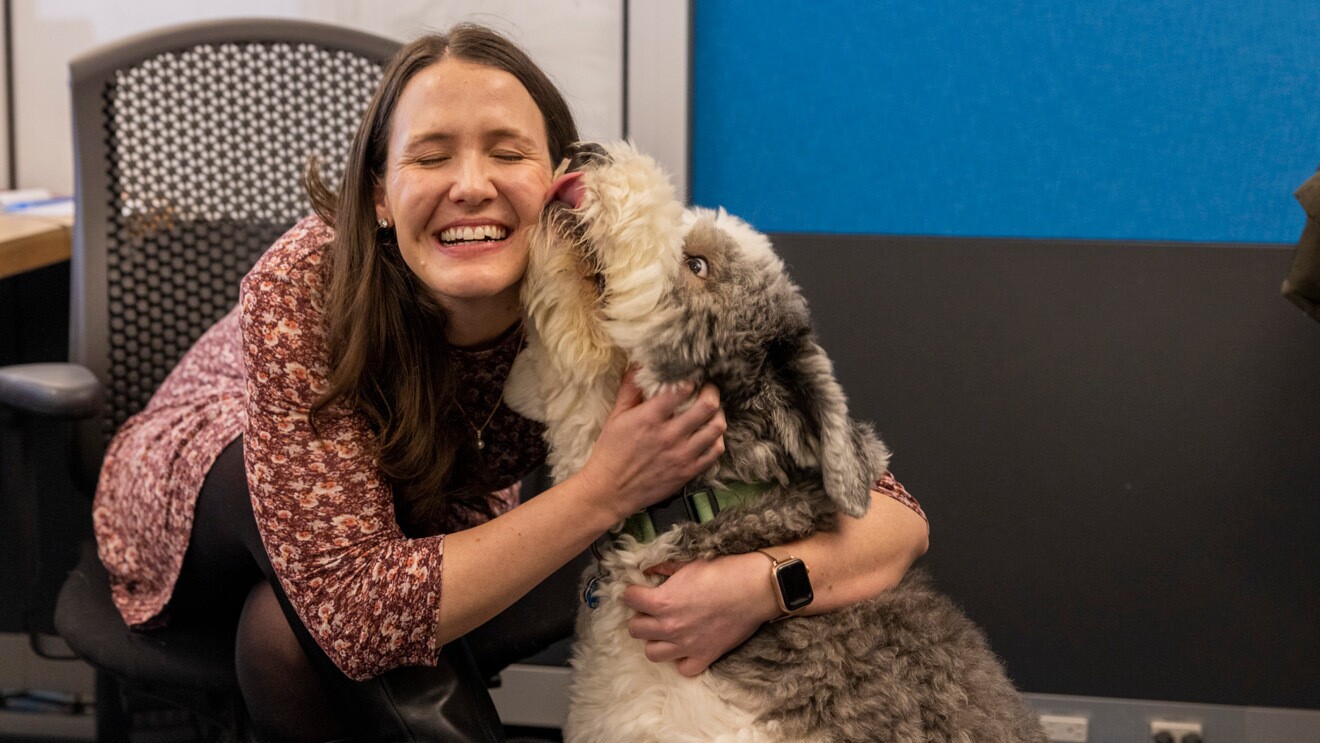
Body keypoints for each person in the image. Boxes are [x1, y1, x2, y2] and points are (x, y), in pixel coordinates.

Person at [92, 23, 930, 742]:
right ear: (381, 195)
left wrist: (760, 583)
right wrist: (606, 489)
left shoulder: (600, 278)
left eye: (506, 151)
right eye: (431, 155)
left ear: (556, 179)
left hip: (413, 532)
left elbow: (892, 517)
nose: (471, 184)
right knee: (285, 549)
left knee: (281, 635)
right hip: (207, 487)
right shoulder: (306, 283)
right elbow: (351, 612)